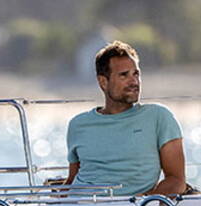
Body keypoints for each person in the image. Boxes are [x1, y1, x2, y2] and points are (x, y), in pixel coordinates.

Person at [65, 40, 187, 196]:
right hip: (76, 205)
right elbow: (72, 179)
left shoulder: (158, 117)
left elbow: (176, 181)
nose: (134, 81)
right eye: (124, 75)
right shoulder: (78, 124)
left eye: (136, 74)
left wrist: (142, 202)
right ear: (103, 82)